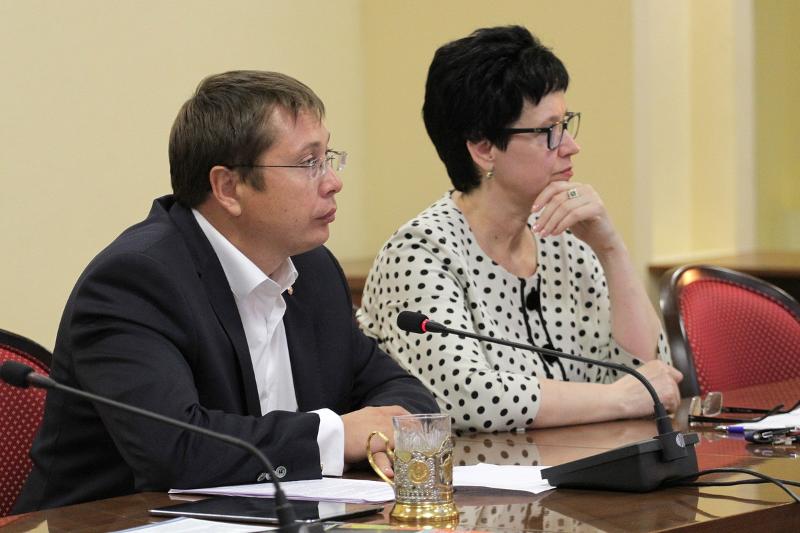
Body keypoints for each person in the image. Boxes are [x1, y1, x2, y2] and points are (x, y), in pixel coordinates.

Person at [14, 70, 437, 512]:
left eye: (328, 157)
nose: (333, 181)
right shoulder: (135, 282)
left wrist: (380, 429)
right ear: (228, 188)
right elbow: (175, 451)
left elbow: (401, 391)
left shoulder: (313, 271)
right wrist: (336, 436)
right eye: (308, 163)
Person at [356, 26, 681, 433]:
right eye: (549, 131)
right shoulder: (420, 253)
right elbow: (467, 399)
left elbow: (651, 374)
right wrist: (619, 398)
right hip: (476, 473)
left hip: (583, 463)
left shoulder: (564, 239)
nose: (571, 146)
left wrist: (611, 250)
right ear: (484, 148)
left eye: (567, 124)